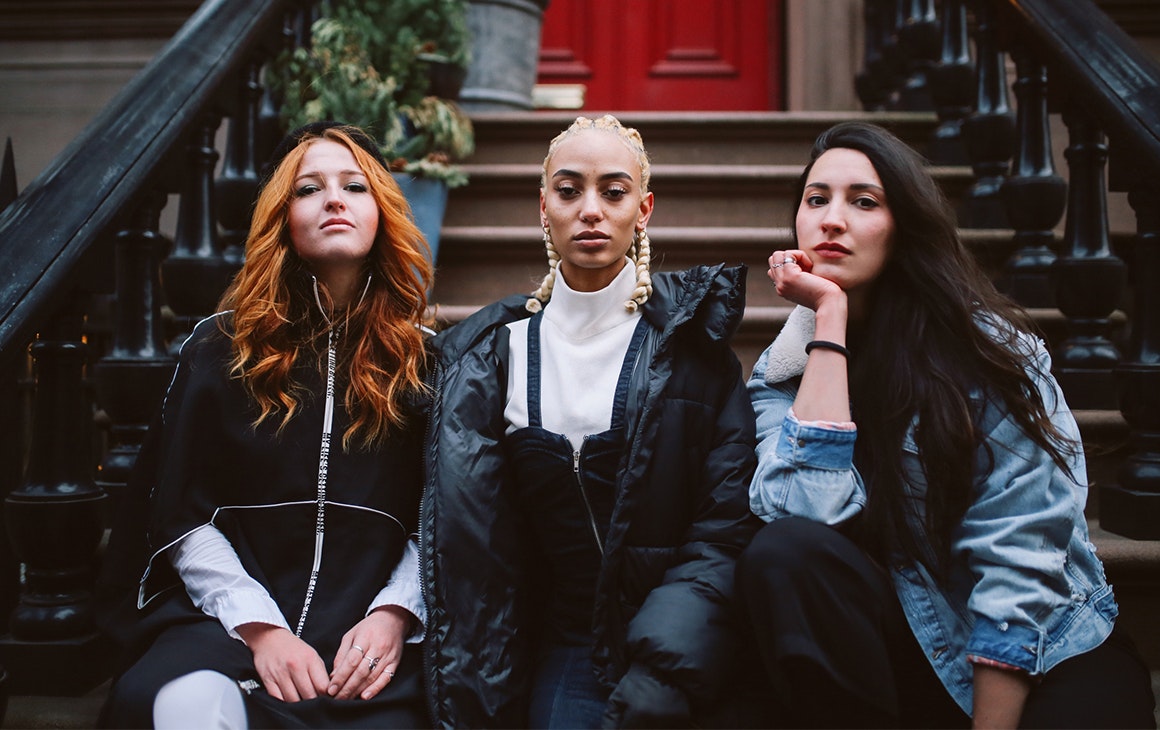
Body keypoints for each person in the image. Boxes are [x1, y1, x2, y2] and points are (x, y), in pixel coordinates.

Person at [737, 120, 1156, 728]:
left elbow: (1020, 551)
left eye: (864, 201)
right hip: (910, 646)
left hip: (1043, 649)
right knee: (782, 552)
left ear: (903, 226)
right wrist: (828, 318)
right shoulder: (784, 376)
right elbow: (806, 514)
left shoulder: (989, 352)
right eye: (816, 199)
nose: (832, 220)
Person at [420, 114, 761, 728]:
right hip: (567, 645)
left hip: (692, 642)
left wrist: (661, 671)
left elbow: (725, 528)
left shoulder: (694, 352)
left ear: (644, 208)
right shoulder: (491, 357)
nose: (591, 209)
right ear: (542, 207)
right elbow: (471, 541)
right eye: (569, 190)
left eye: (613, 190)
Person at [98, 122, 435, 729]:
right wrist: (262, 628)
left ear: (382, 210)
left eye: (355, 186)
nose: (334, 199)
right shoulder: (220, 347)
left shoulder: (428, 360)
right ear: (282, 217)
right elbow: (180, 511)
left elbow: (443, 515)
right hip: (224, 621)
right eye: (309, 188)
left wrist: (395, 614)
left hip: (370, 638)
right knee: (184, 701)